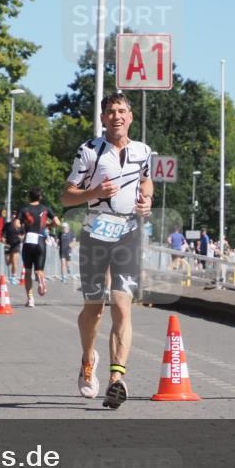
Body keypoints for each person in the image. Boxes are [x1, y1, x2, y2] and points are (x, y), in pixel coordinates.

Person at [60, 92, 153, 410]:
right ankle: (88, 358)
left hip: (128, 233)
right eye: (111, 111)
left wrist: (147, 198)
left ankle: (116, 379)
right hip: (96, 235)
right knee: (94, 309)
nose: (117, 116)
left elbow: (146, 180)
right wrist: (95, 192)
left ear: (130, 116)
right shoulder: (89, 151)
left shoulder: (143, 151)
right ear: (103, 118)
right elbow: (66, 196)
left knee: (123, 307)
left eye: (122, 111)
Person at [18, 187, 60, 308]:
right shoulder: (46, 209)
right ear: (40, 197)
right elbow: (57, 222)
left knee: (27, 270)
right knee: (39, 269)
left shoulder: (24, 209)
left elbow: (16, 223)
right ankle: (41, 280)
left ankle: (30, 298)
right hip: (41, 239)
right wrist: (48, 225)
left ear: (29, 197)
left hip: (29, 240)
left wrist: (21, 224)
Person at [2, 215, 23, 284]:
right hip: (8, 244)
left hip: (16, 244)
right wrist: (3, 238)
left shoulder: (20, 225)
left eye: (15, 217)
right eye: (12, 217)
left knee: (14, 261)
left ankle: (13, 276)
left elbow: (24, 234)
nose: (14, 218)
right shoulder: (7, 225)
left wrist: (21, 237)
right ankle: (10, 274)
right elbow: (3, 233)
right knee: (8, 261)